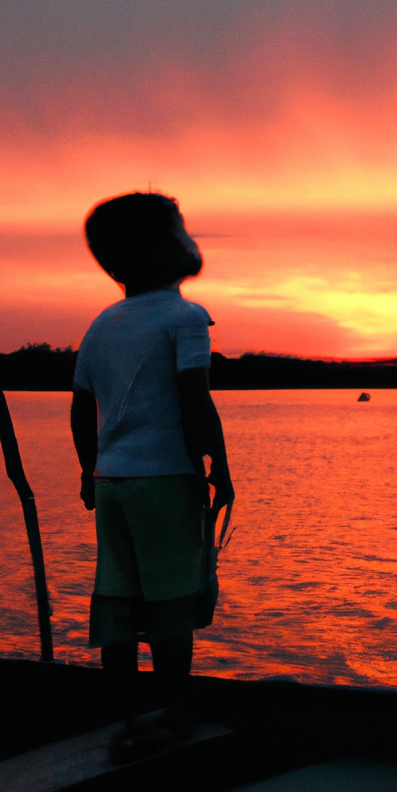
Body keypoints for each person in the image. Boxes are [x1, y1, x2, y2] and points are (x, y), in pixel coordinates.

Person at [70, 191, 234, 761]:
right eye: (179, 230)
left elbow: (79, 405)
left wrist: (89, 471)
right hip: (166, 479)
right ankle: (173, 709)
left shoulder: (101, 324)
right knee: (171, 603)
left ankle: (123, 710)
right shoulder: (184, 316)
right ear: (158, 251)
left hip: (113, 483)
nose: (190, 239)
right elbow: (195, 399)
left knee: (117, 597)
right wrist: (220, 467)